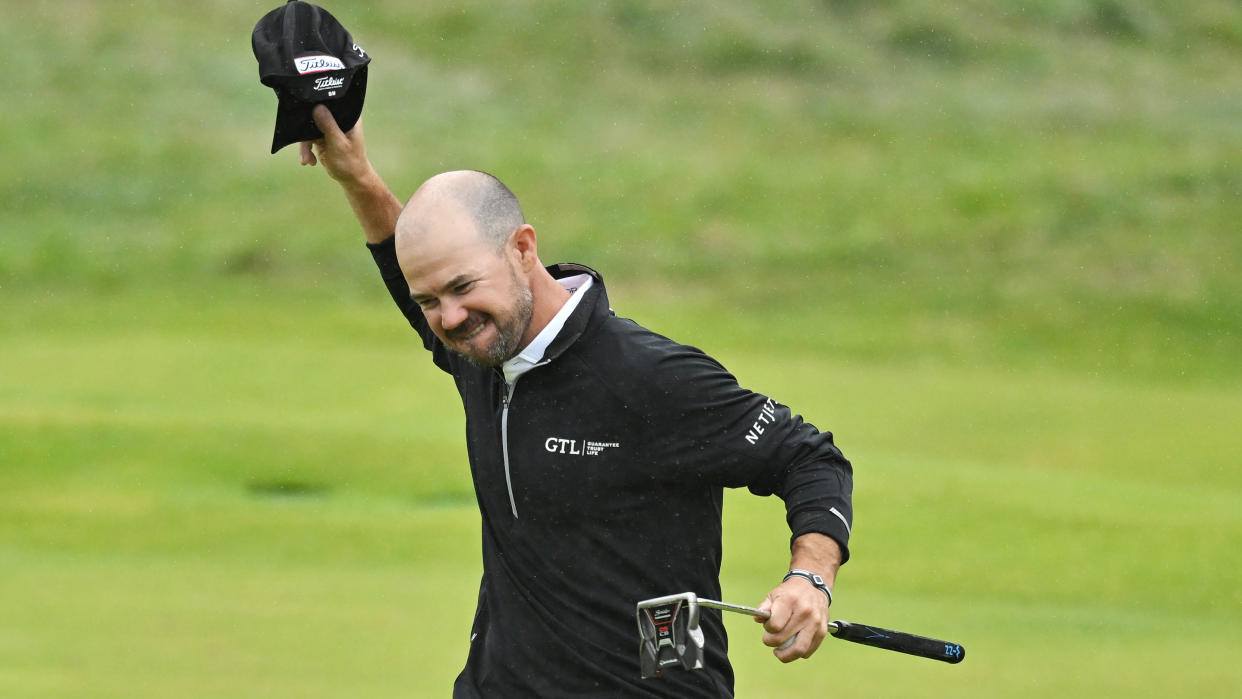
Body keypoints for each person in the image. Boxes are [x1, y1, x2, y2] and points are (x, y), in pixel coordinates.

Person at [296, 104, 854, 698]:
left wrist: (810, 577)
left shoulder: (645, 375)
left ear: (522, 249)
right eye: (429, 301)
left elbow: (807, 457)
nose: (450, 318)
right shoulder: (480, 351)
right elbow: (404, 264)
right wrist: (357, 176)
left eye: (463, 287)